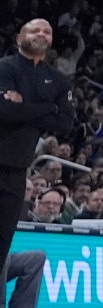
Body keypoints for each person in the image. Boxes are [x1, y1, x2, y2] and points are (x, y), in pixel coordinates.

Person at [0, 19, 71, 274]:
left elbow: (65, 123)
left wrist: (23, 106)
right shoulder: (4, 68)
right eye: (34, 30)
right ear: (20, 38)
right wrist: (47, 108)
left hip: (18, 170)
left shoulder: (60, 80)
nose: (41, 34)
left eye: (47, 31)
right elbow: (4, 111)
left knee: (3, 241)